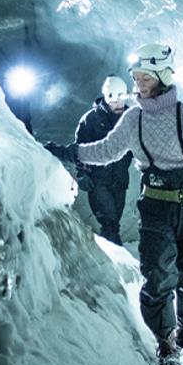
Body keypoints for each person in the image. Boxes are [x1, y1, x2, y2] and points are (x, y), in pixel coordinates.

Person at [43, 42, 183, 365]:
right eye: (136, 76)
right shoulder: (133, 118)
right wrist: (70, 153)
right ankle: (166, 342)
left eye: (144, 76)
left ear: (162, 75)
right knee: (157, 275)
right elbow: (107, 150)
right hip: (156, 206)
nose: (138, 82)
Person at [73, 76, 134, 244]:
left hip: (120, 180)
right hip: (98, 181)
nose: (119, 105)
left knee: (114, 222)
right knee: (109, 223)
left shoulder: (130, 118)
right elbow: (81, 148)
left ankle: (114, 258)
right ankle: (118, 261)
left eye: (121, 100)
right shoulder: (91, 120)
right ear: (107, 98)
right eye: (115, 101)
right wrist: (82, 173)